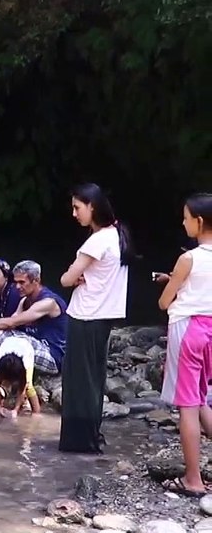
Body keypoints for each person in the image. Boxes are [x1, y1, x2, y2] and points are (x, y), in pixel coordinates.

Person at [57, 183, 133, 454]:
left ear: (92, 207)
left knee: (79, 379)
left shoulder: (97, 241)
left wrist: (74, 278)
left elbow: (66, 279)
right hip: (103, 315)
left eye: (78, 208)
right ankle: (91, 434)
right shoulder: (117, 233)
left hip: (86, 315)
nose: (74, 213)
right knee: (94, 377)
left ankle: (79, 441)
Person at [155, 193, 212, 495]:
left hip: (188, 329)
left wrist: (172, 284)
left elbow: (165, 303)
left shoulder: (188, 258)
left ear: (199, 222)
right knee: (201, 397)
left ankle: (193, 480)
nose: (183, 222)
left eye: (186, 217)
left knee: (187, 405)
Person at [0, 260, 68, 405]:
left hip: (52, 356)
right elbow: (8, 322)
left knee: (5, 336)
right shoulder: (24, 300)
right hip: (30, 349)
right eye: (16, 282)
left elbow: (10, 324)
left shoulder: (48, 302)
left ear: (36, 280)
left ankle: (3, 385)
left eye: (22, 282)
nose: (17, 286)